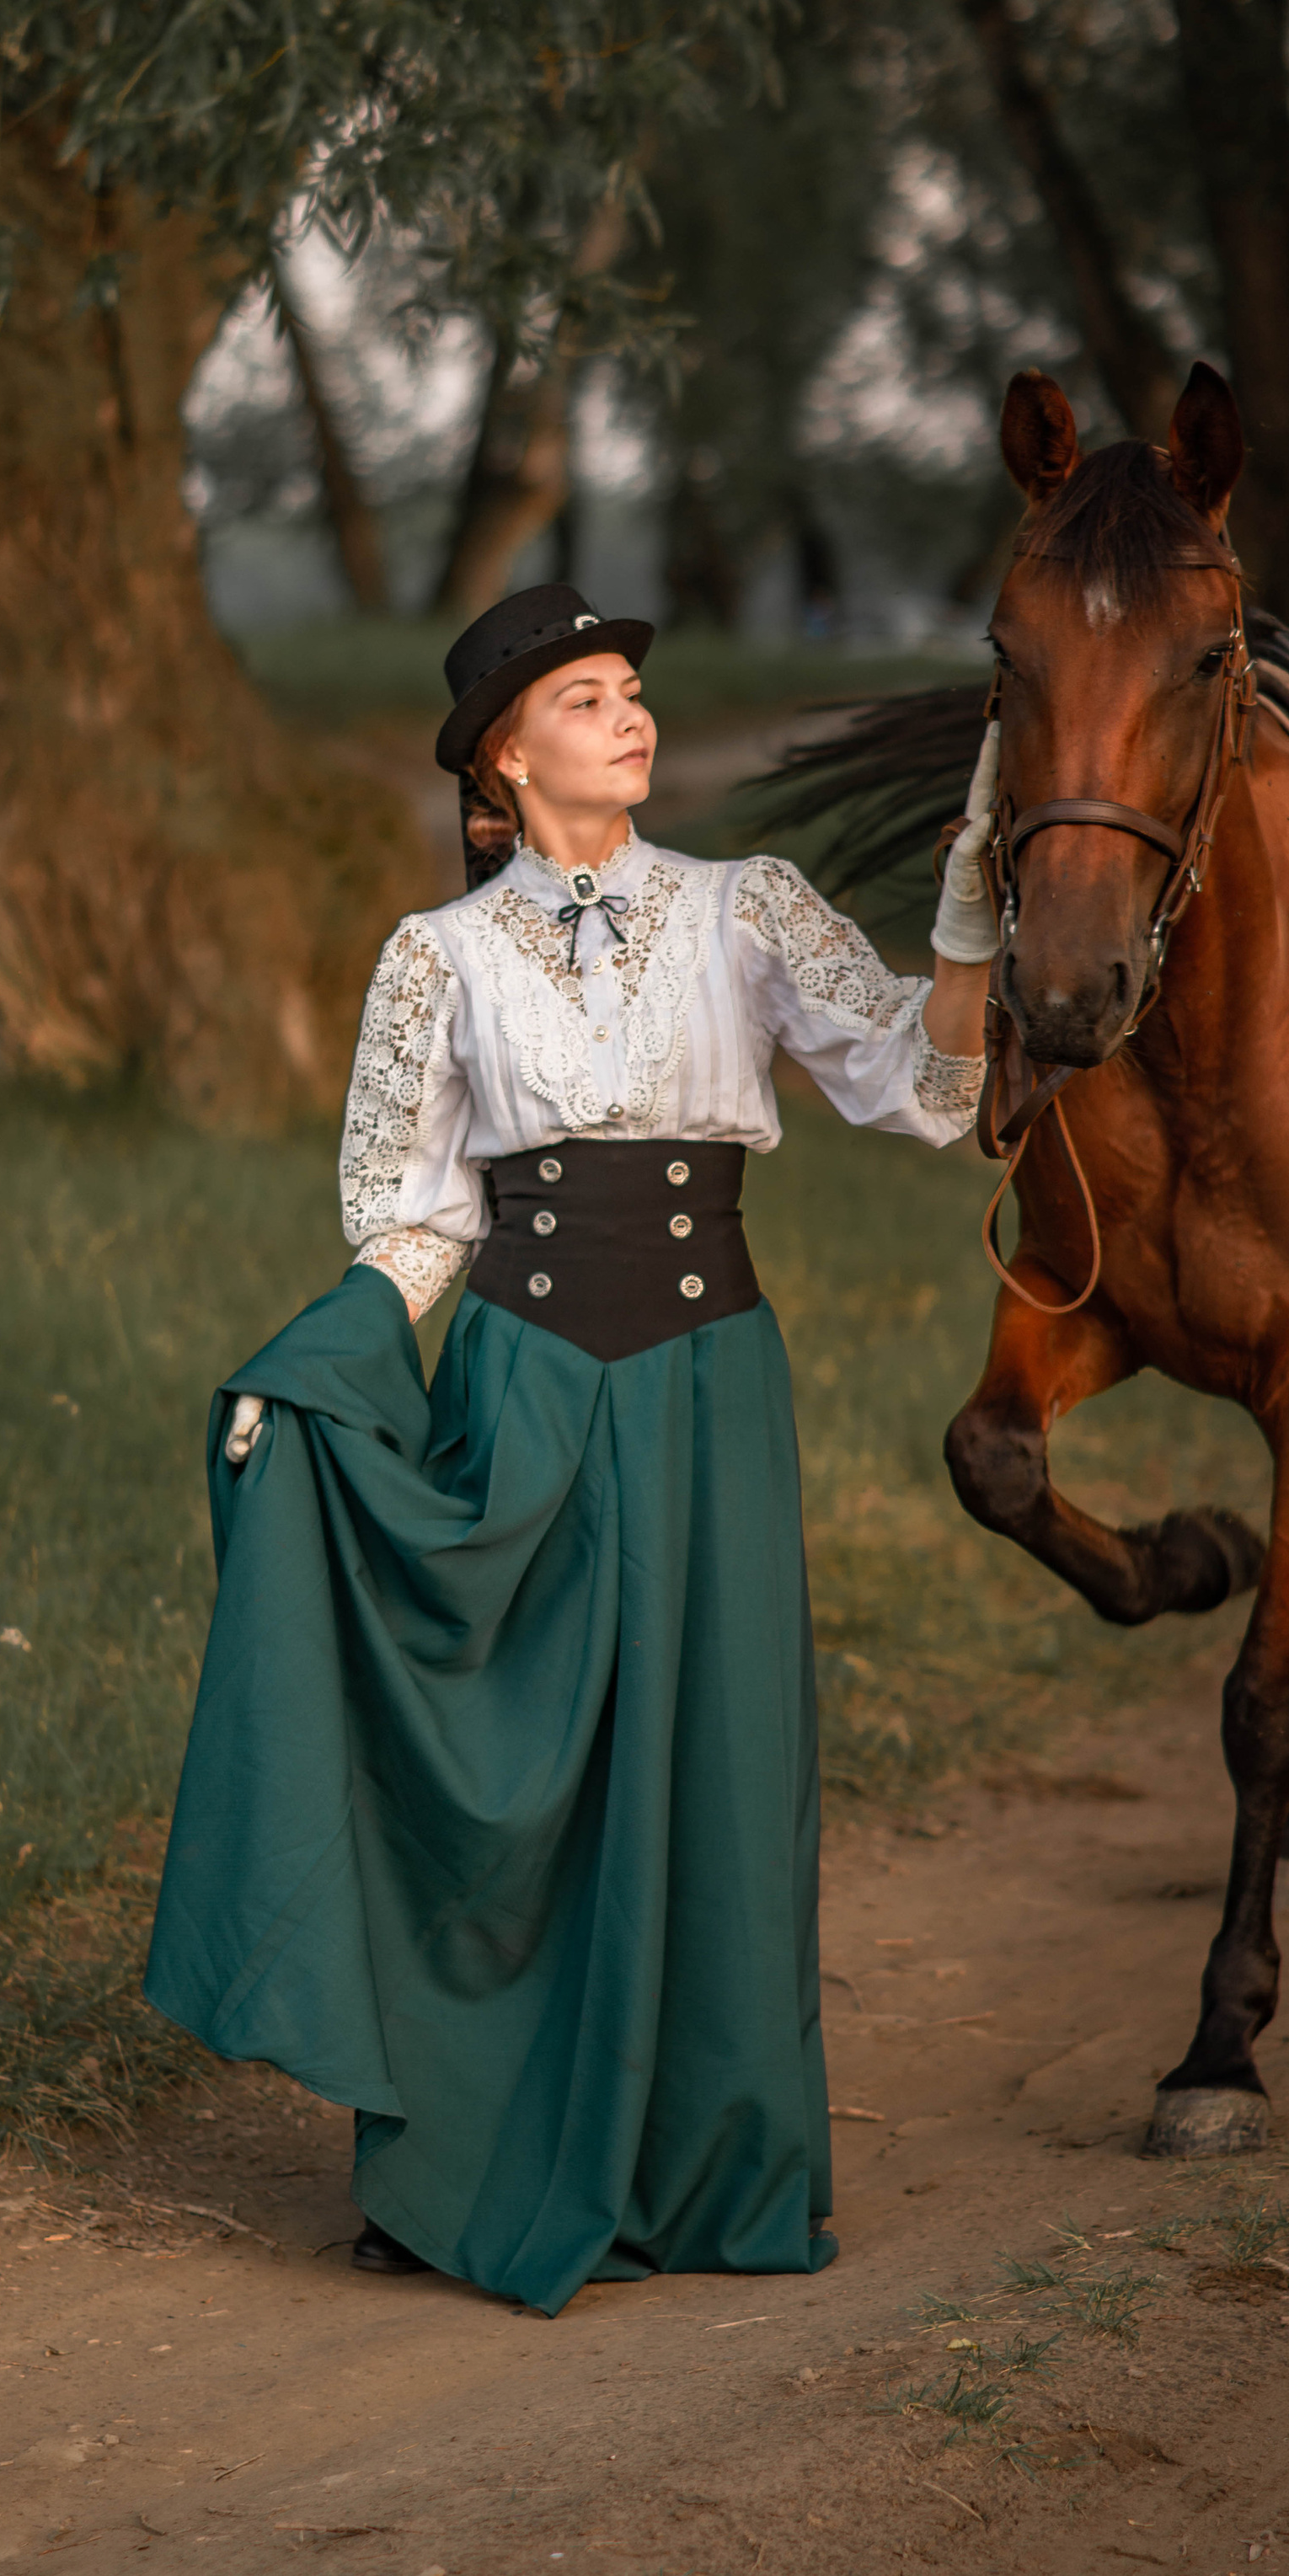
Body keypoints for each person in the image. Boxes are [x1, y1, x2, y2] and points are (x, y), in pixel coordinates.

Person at [147, 584, 1001, 2317]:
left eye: (634, 692)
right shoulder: (433, 960)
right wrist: (301, 1373)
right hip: (526, 1384)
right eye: (586, 698)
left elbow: (926, 1085)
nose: (630, 718)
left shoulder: (746, 910)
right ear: (500, 757)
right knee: (512, 1778)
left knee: (722, 1766)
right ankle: (466, 2160)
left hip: (709, 1387)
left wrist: (973, 918)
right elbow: (411, 1227)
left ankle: (711, 2168)